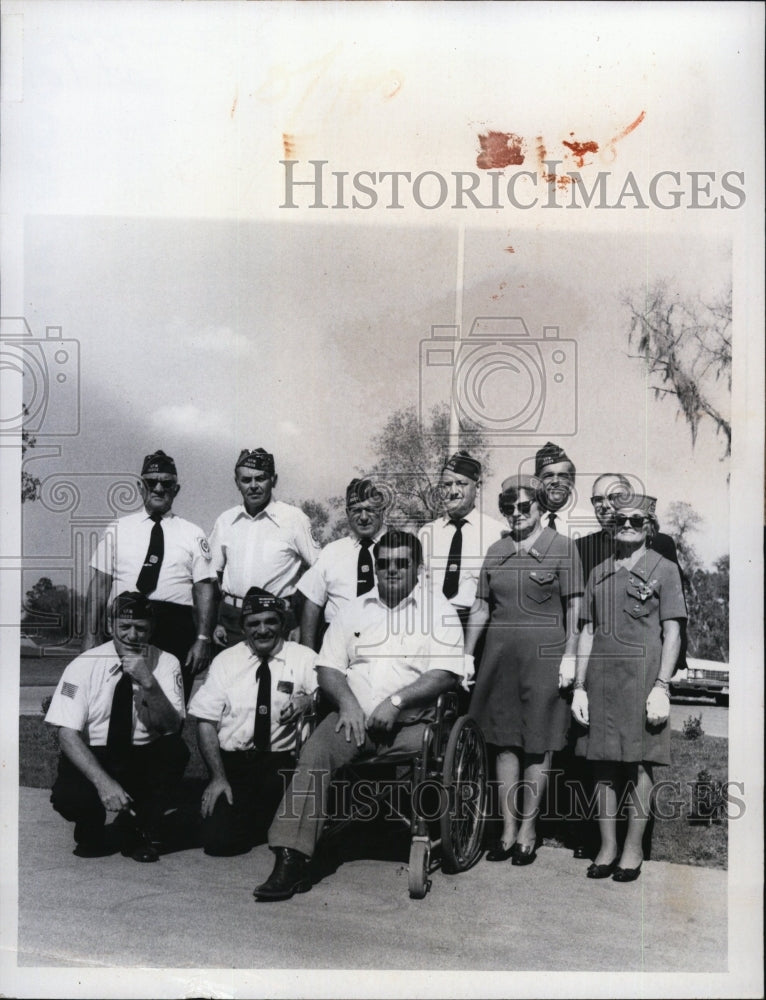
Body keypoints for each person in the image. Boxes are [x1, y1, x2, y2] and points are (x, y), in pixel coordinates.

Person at [253, 530, 467, 901]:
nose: (391, 570)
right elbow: (328, 668)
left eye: (401, 563)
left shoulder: (439, 611)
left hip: (416, 727)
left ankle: (419, 836)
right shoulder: (352, 609)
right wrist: (348, 704)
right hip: (355, 721)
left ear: (418, 568)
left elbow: (445, 674)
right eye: (383, 564)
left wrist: (397, 702)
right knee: (315, 753)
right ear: (375, 567)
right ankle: (290, 860)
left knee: (427, 740)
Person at [567, 472, 687, 859]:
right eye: (621, 520)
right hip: (601, 680)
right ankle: (607, 846)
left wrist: (662, 686)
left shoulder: (664, 569)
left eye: (637, 520)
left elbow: (673, 632)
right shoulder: (598, 572)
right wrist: (579, 687)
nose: (628, 526)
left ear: (649, 527)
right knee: (601, 764)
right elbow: (587, 630)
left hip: (643, 680)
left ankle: (633, 849)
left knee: (640, 764)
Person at [466, 474, 583, 865]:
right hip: (499, 659)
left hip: (544, 660)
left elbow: (575, 608)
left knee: (537, 742)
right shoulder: (496, 550)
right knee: (503, 741)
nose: (516, 514)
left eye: (523, 506)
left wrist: (571, 656)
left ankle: (529, 831)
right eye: (507, 507)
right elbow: (481, 607)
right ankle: (507, 828)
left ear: (540, 506)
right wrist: (466, 655)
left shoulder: (562, 547)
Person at [46, 591, 189, 862]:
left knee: (175, 750)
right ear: (110, 626)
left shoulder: (167, 662)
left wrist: (149, 683)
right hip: (96, 754)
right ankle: (90, 823)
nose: (132, 635)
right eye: (125, 627)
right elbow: (66, 734)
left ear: (152, 629)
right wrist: (103, 783)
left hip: (140, 755)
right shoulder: (83, 665)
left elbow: (172, 728)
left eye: (141, 628)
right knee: (70, 797)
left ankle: (138, 827)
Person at [188, 586, 318, 856]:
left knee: (287, 839)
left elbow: (328, 692)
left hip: (281, 765)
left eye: (271, 621)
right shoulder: (226, 660)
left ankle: (262, 819)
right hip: (235, 764)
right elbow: (205, 721)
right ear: (243, 628)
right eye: (253, 624)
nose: (262, 630)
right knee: (219, 843)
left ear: (283, 623)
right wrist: (217, 778)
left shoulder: (304, 657)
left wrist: (308, 700)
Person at [83, 450, 217, 701]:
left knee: (171, 701)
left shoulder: (193, 533)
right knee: (117, 700)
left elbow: (205, 589)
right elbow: (100, 584)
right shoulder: (118, 528)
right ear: (139, 486)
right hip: (126, 623)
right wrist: (90, 634)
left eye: (166, 484)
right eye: (151, 482)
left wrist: (202, 638)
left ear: (176, 489)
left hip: (175, 625)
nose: (158, 488)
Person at [209, 448, 320, 647]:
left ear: (273, 480)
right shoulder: (225, 521)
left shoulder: (294, 519)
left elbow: (320, 569)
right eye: (246, 480)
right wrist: (216, 621)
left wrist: (301, 622)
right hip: (232, 622)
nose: (253, 486)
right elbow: (211, 576)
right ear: (237, 482)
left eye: (260, 478)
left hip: (278, 619)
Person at [418, 450, 504, 633]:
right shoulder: (426, 533)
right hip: (431, 624)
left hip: (476, 627)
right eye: (447, 485)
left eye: (461, 484)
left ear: (477, 487)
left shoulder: (497, 533)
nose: (453, 491)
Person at [297, 477, 387, 650]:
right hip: (337, 641)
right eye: (356, 510)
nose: (363, 517)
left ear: (382, 510)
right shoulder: (332, 551)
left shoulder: (398, 548)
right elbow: (312, 604)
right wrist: (308, 654)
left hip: (384, 638)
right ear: (347, 513)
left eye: (370, 510)